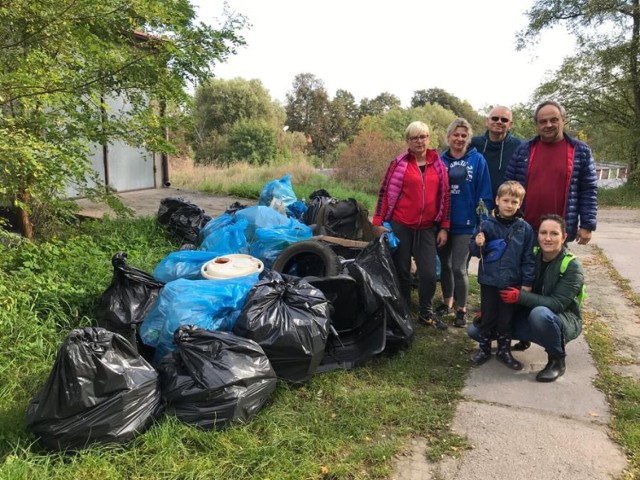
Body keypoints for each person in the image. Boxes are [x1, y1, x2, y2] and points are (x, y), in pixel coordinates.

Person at [467, 214, 585, 382]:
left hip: (560, 319)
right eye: (543, 233)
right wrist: (492, 309)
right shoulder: (533, 257)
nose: (548, 238)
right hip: (528, 315)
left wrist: (520, 297)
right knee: (475, 330)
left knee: (540, 314)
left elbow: (557, 304)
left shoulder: (572, 265)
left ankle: (557, 360)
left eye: (554, 234)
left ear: (564, 237)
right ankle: (513, 344)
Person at [372, 121, 450, 330]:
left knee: (428, 274)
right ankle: (403, 312)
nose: (419, 141)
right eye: (414, 137)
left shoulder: (438, 165)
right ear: (407, 141)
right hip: (401, 225)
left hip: (427, 227)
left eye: (423, 136)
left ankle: (426, 313)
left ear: (428, 138)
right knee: (401, 271)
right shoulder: (398, 163)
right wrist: (378, 221)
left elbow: (445, 197)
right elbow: (384, 193)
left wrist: (444, 226)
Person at [505, 100, 597, 245]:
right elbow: (508, 188)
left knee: (556, 269)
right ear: (537, 124)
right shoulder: (523, 150)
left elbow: (588, 190)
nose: (548, 125)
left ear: (563, 120)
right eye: (543, 121)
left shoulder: (580, 151)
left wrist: (587, 225)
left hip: (558, 233)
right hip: (524, 230)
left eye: (553, 120)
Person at [469, 181, 535, 369]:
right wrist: (478, 243)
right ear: (497, 200)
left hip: (511, 282)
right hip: (489, 280)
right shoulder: (486, 225)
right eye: (505, 200)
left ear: (520, 204)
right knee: (488, 316)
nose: (509, 205)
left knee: (506, 318)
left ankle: (504, 351)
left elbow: (528, 258)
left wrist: (527, 282)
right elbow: (474, 251)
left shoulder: (525, 229)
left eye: (514, 202)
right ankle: (483, 348)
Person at [438, 118, 492, 328]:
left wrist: (483, 224)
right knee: (444, 265)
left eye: (463, 135)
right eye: (456, 134)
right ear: (449, 136)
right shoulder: (440, 161)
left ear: (468, 138)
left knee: (459, 267)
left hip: (466, 223)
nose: (459, 139)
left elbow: (484, 193)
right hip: (443, 223)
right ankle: (447, 302)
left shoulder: (477, 160)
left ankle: (461, 309)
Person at [471, 105, 523, 199]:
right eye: (494, 118)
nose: (499, 122)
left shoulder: (518, 146)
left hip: (506, 205)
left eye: (504, 120)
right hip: (475, 201)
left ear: (510, 124)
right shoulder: (473, 144)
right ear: (487, 121)